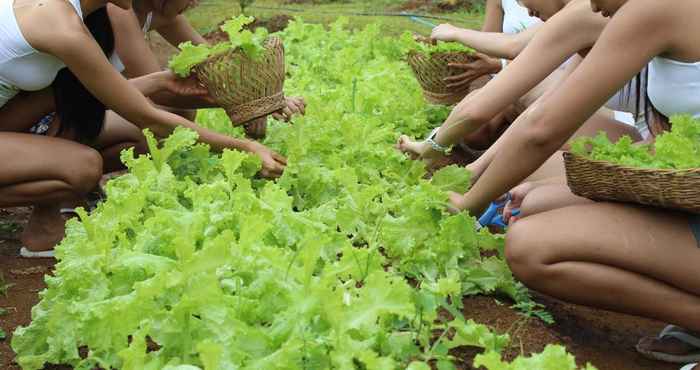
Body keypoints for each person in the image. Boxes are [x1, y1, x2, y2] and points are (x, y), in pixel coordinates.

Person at [436, 1, 700, 369]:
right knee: (536, 203)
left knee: (531, 245)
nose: (590, 4)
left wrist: (468, 202)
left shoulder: (651, 8)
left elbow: (542, 129)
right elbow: (668, 143)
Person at [0, 0, 287, 256]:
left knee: (134, 135)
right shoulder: (62, 27)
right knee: (81, 166)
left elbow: (76, 96)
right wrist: (246, 147)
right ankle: (51, 210)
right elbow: (149, 117)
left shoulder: (80, 15)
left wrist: (159, 83)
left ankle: (49, 207)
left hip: (11, 123)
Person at [398, 0, 642, 181]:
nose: (526, 10)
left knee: (521, 182)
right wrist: (478, 168)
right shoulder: (587, 13)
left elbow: (513, 49)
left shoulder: (588, 13)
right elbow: (544, 106)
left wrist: (432, 147)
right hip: (630, 134)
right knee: (515, 174)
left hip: (637, 141)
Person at [106, 0, 306, 137]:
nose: (195, 3)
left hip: (98, 102)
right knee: (158, 129)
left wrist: (266, 97)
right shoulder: (121, 11)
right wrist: (253, 102)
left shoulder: (160, 13)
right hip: (83, 107)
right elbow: (159, 93)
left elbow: (215, 64)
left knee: (180, 116)